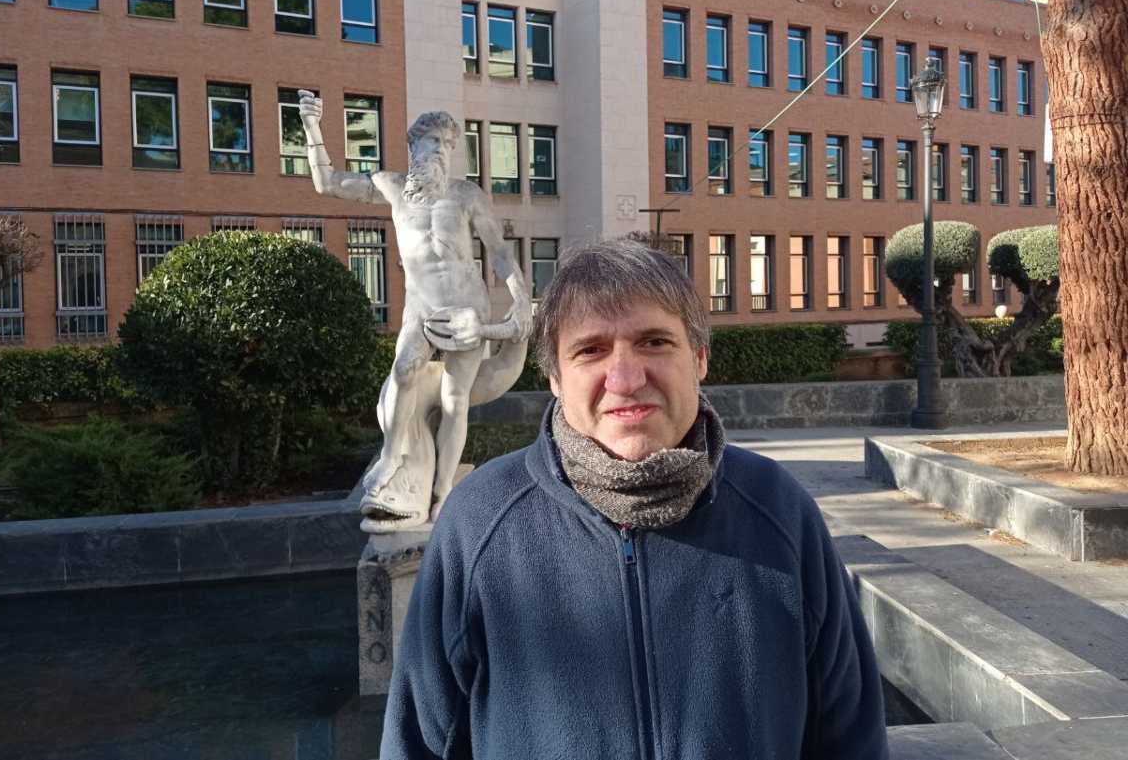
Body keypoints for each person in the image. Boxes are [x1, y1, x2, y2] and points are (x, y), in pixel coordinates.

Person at [381, 238, 889, 759]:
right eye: (591, 350)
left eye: (654, 342)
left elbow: (851, 736)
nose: (625, 378)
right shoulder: (479, 522)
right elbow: (419, 741)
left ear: (699, 359)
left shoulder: (779, 510)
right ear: (555, 377)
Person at [298, 93, 532, 529]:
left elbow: (500, 254)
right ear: (414, 147)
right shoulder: (390, 186)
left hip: (466, 308)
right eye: (434, 141)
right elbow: (326, 182)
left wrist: (520, 299)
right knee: (405, 371)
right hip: (421, 309)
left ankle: (441, 495)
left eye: (448, 143)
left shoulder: (465, 196)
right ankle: (391, 457)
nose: (442, 150)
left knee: (454, 399)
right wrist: (312, 127)